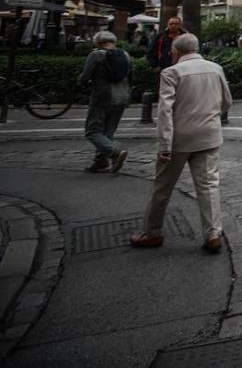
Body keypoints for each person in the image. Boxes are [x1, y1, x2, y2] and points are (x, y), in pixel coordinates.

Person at [130, 33, 232, 252]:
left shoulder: (171, 72)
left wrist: (164, 145)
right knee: (209, 186)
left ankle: (152, 232)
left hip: (180, 138)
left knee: (162, 186)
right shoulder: (216, 68)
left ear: (175, 52)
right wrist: (212, 117)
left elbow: (165, 111)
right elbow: (226, 101)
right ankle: (213, 233)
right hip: (209, 135)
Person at [78, 30, 131, 174]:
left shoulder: (96, 55)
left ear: (98, 42)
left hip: (102, 96)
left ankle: (114, 152)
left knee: (93, 131)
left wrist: (80, 81)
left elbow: (85, 76)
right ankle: (100, 163)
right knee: (108, 131)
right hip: (122, 97)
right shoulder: (125, 55)